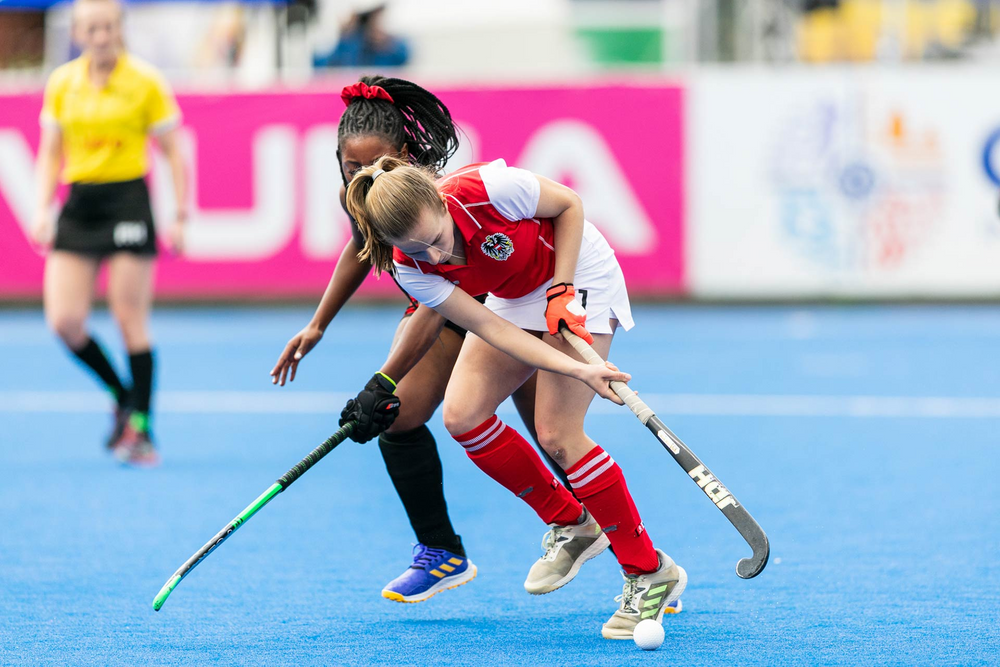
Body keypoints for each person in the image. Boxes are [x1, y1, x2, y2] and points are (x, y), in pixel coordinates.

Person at [344, 155, 686, 639]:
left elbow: (569, 204)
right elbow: (491, 328)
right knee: (463, 416)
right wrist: (577, 368)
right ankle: (572, 523)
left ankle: (649, 572)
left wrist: (562, 289)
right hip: (511, 295)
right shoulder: (410, 268)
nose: (436, 258)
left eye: (437, 239)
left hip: (577, 271)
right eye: (417, 249)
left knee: (558, 435)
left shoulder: (488, 188)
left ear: (441, 202)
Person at [271, 76, 549, 604]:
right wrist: (318, 324)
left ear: (404, 155)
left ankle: (638, 556)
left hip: (501, 308)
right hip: (437, 312)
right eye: (351, 167)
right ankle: (441, 552)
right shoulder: (359, 194)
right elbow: (362, 246)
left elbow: (441, 295)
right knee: (397, 417)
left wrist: (385, 374)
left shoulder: (433, 197)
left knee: (554, 435)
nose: (365, 174)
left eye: (378, 162)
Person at [30, 0, 187, 467]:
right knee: (64, 321)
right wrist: (42, 208)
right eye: (92, 29)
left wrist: (180, 214)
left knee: (128, 316)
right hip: (80, 203)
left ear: (120, 29)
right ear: (78, 33)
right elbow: (50, 152)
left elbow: (173, 153)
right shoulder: (62, 82)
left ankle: (142, 429)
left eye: (108, 27)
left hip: (127, 201)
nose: (101, 36)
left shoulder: (145, 82)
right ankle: (122, 395)